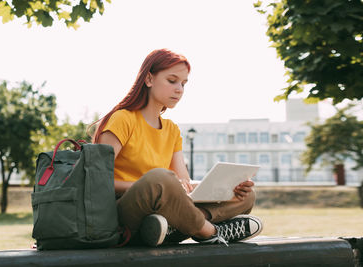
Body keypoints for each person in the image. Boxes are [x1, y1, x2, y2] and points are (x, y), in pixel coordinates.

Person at [91, 48, 263, 246]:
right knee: (161, 178)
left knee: (246, 196)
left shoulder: (172, 130)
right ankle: (210, 231)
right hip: (123, 212)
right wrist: (156, 188)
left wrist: (228, 187)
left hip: (161, 208)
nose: (179, 89)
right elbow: (98, 182)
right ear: (149, 79)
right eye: (172, 81)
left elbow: (183, 184)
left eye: (183, 83)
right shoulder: (122, 119)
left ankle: (170, 227)